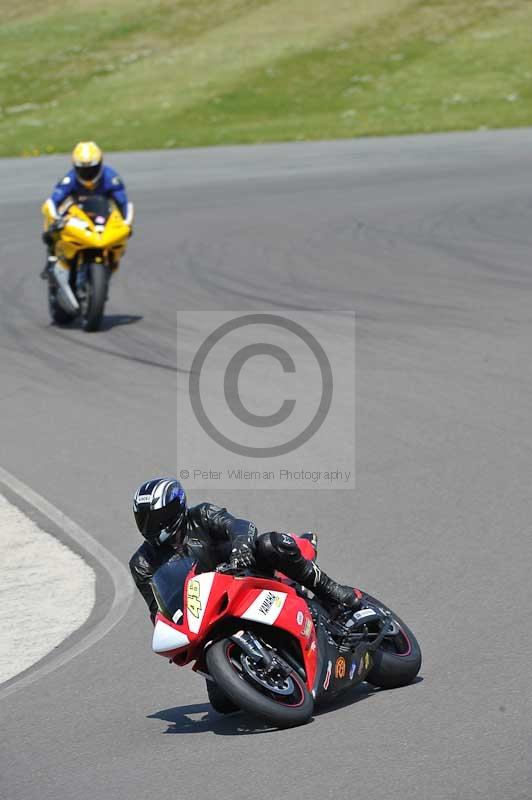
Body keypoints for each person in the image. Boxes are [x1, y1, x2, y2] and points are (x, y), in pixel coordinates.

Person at [129, 477, 360, 623]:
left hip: (244, 573)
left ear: (174, 511)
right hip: (206, 610)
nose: (149, 527)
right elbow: (157, 610)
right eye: (143, 519)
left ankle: (331, 591)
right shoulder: (142, 563)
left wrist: (241, 547)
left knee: (270, 544)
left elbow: (239, 525)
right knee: (222, 701)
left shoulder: (201, 515)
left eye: (155, 519)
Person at [41, 141, 134, 278]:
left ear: (100, 164)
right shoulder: (69, 179)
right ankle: (52, 259)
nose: (88, 174)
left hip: (101, 213)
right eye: (83, 170)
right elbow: (54, 200)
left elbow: (122, 203)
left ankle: (113, 259)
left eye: (92, 169)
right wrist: (55, 219)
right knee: (51, 230)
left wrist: (126, 222)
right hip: (76, 212)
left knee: (122, 236)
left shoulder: (111, 178)